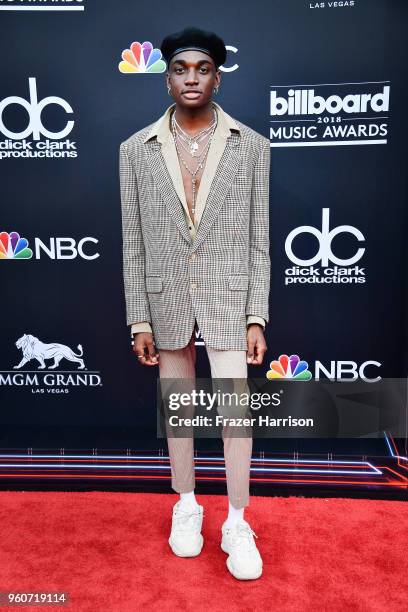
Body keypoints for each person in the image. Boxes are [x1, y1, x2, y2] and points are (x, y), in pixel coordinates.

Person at [119, 26, 271, 580]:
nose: (191, 78)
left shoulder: (252, 146)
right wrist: (140, 316)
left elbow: (259, 239)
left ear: (216, 75)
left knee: (236, 415)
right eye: (181, 69)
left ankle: (235, 519)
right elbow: (132, 240)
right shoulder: (134, 150)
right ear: (166, 78)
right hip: (166, 302)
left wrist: (257, 315)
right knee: (179, 412)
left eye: (202, 69)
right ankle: (186, 505)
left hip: (231, 301)